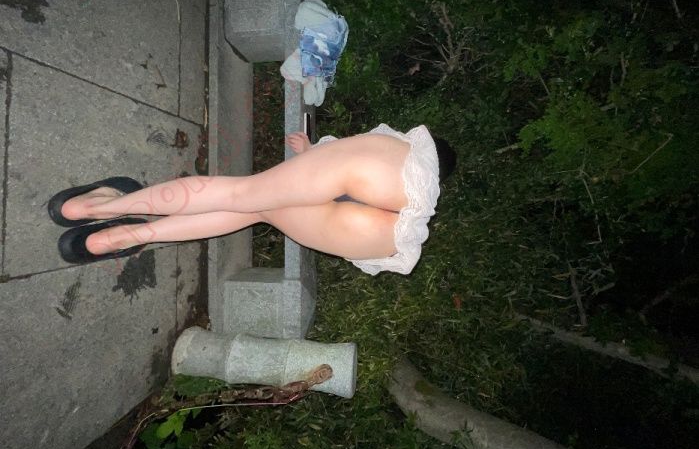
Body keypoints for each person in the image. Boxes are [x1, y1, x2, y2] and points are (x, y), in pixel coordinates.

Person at [49, 123, 456, 275]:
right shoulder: (424, 197)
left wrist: (315, 154)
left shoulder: (407, 155)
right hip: (389, 238)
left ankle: (94, 207)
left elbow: (345, 167)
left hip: (381, 173)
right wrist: (314, 154)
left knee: (241, 193)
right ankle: (118, 238)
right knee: (256, 209)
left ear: (424, 147)